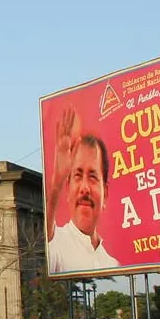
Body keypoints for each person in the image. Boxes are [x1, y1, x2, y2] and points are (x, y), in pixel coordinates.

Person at [47, 106, 119, 274]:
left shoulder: (112, 263)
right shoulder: (57, 243)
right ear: (67, 188)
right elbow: (45, 241)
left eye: (93, 177)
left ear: (105, 193)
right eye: (78, 176)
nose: (85, 189)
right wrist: (57, 181)